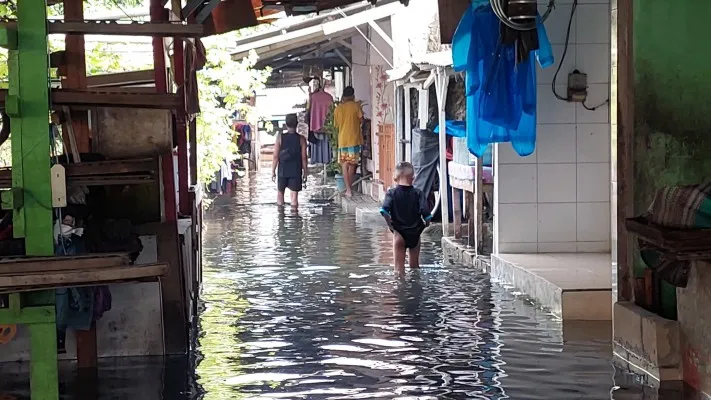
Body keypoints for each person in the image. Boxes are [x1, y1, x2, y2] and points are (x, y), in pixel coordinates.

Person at [380, 162, 433, 270]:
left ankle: (401, 286)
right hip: (415, 233)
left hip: (399, 233)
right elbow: (426, 213)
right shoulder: (418, 193)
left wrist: (391, 226)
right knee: (415, 267)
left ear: (395, 177)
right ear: (413, 177)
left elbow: (384, 210)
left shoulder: (391, 193)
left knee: (398, 270)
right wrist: (426, 224)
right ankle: (415, 286)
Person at [272, 113, 308, 208]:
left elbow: (275, 156)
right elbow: (304, 157)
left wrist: (273, 171)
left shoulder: (280, 137)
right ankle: (295, 220)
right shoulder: (301, 139)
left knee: (280, 196)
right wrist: (305, 172)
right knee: (294, 199)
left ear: (286, 124)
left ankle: (281, 219)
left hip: (282, 170)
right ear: (297, 124)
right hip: (295, 170)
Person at [333, 86, 363, 197]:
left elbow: (336, 125)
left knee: (344, 164)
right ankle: (349, 189)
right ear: (353, 95)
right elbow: (361, 120)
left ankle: (348, 190)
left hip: (342, 140)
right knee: (352, 165)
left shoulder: (338, 109)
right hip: (354, 139)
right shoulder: (356, 106)